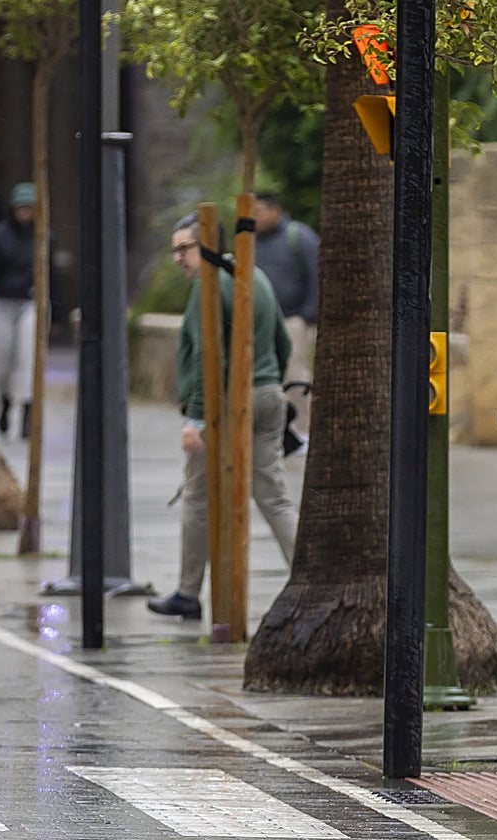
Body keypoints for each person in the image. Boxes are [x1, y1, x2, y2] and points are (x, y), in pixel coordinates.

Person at [147, 213, 300, 620]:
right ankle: (307, 576)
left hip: (226, 403)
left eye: (185, 248)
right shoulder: (255, 275)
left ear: (207, 245)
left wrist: (197, 419)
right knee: (274, 496)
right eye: (174, 249)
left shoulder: (209, 286)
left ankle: (187, 592)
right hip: (269, 396)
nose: (178, 257)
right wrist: (269, 386)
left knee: (198, 496)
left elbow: (205, 356)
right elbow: (283, 343)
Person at [0, 181, 44, 439]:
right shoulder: (0, 235)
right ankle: (5, 401)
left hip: (30, 302)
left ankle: (28, 413)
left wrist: (55, 312)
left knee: (28, 358)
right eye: (22, 208)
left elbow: (51, 274)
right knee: (1, 359)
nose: (26, 213)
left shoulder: (42, 236)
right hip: (3, 301)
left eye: (30, 208)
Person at [252, 191, 319, 448]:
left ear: (274, 210)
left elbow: (316, 274)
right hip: (260, 323)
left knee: (296, 374)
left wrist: (308, 315)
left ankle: (303, 431)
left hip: (293, 320)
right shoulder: (251, 241)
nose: (254, 217)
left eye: (258, 211)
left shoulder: (298, 237)